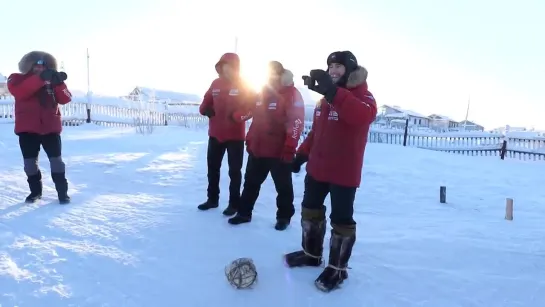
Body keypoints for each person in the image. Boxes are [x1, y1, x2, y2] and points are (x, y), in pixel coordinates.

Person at [284, 51, 377, 292]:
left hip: (343, 173)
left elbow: (361, 116)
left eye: (339, 66)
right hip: (317, 168)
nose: (333, 71)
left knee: (341, 221)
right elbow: (316, 134)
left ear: (350, 70)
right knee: (310, 211)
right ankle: (311, 254)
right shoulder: (323, 101)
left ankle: (338, 269)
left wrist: (334, 93)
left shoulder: (364, 96)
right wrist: (302, 155)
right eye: (330, 66)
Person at [227, 61, 305, 231]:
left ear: (280, 74)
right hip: (258, 149)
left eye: (274, 73)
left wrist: (290, 148)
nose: (271, 76)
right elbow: (253, 115)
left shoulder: (291, 94)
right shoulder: (262, 93)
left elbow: (296, 122)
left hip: (279, 151)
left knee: (283, 187)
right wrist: (245, 132)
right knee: (250, 184)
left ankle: (284, 217)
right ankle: (244, 213)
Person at [7, 51, 73, 204]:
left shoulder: (51, 80)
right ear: (29, 65)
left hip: (50, 129)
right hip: (27, 130)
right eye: (36, 65)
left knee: (57, 162)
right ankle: (35, 192)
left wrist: (59, 83)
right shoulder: (16, 78)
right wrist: (40, 80)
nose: (39, 68)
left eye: (43, 65)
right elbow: (20, 92)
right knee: (30, 164)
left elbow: (66, 98)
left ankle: (62, 193)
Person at [197, 53, 256, 216]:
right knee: (213, 169)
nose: (226, 69)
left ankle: (234, 204)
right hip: (215, 134)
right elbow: (205, 101)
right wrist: (205, 109)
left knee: (234, 172)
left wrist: (238, 116)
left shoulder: (244, 85)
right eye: (223, 66)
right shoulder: (215, 83)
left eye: (230, 66)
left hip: (235, 137)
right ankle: (212, 199)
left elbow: (252, 108)